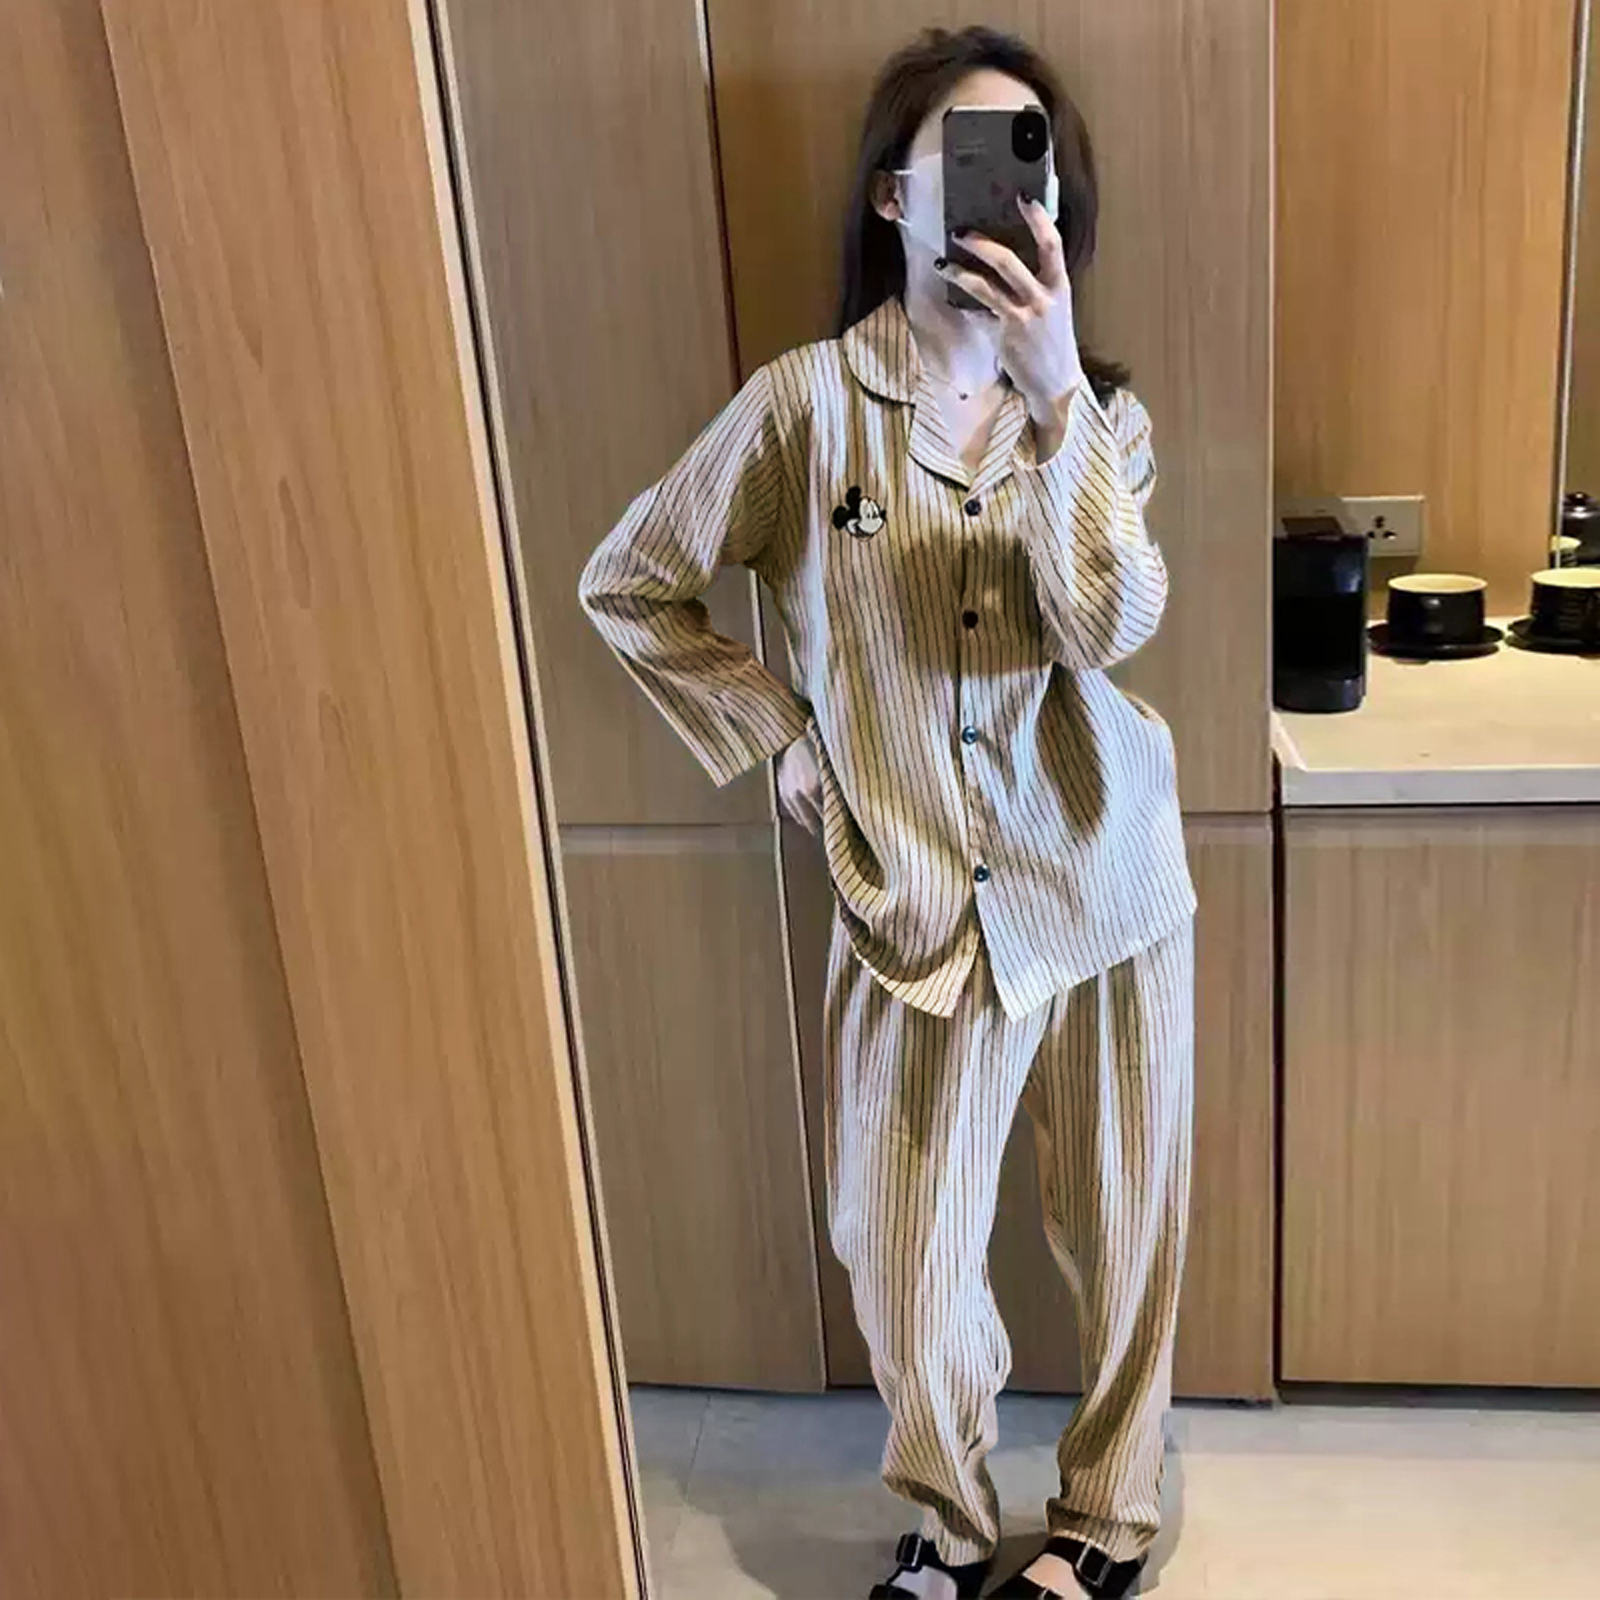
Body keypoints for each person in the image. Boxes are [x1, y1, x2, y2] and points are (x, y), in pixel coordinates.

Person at [580, 25, 1195, 1600]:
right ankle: (948, 1514)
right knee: (903, 1255)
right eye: (966, 157)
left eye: (1029, 164)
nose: (1003, 192)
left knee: (1125, 1224)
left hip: (1101, 873)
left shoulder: (1104, 424)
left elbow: (1108, 624)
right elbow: (632, 582)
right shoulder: (805, 410)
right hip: (911, 897)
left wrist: (1056, 399)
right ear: (892, 195)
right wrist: (773, 731)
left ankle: (1108, 1518)